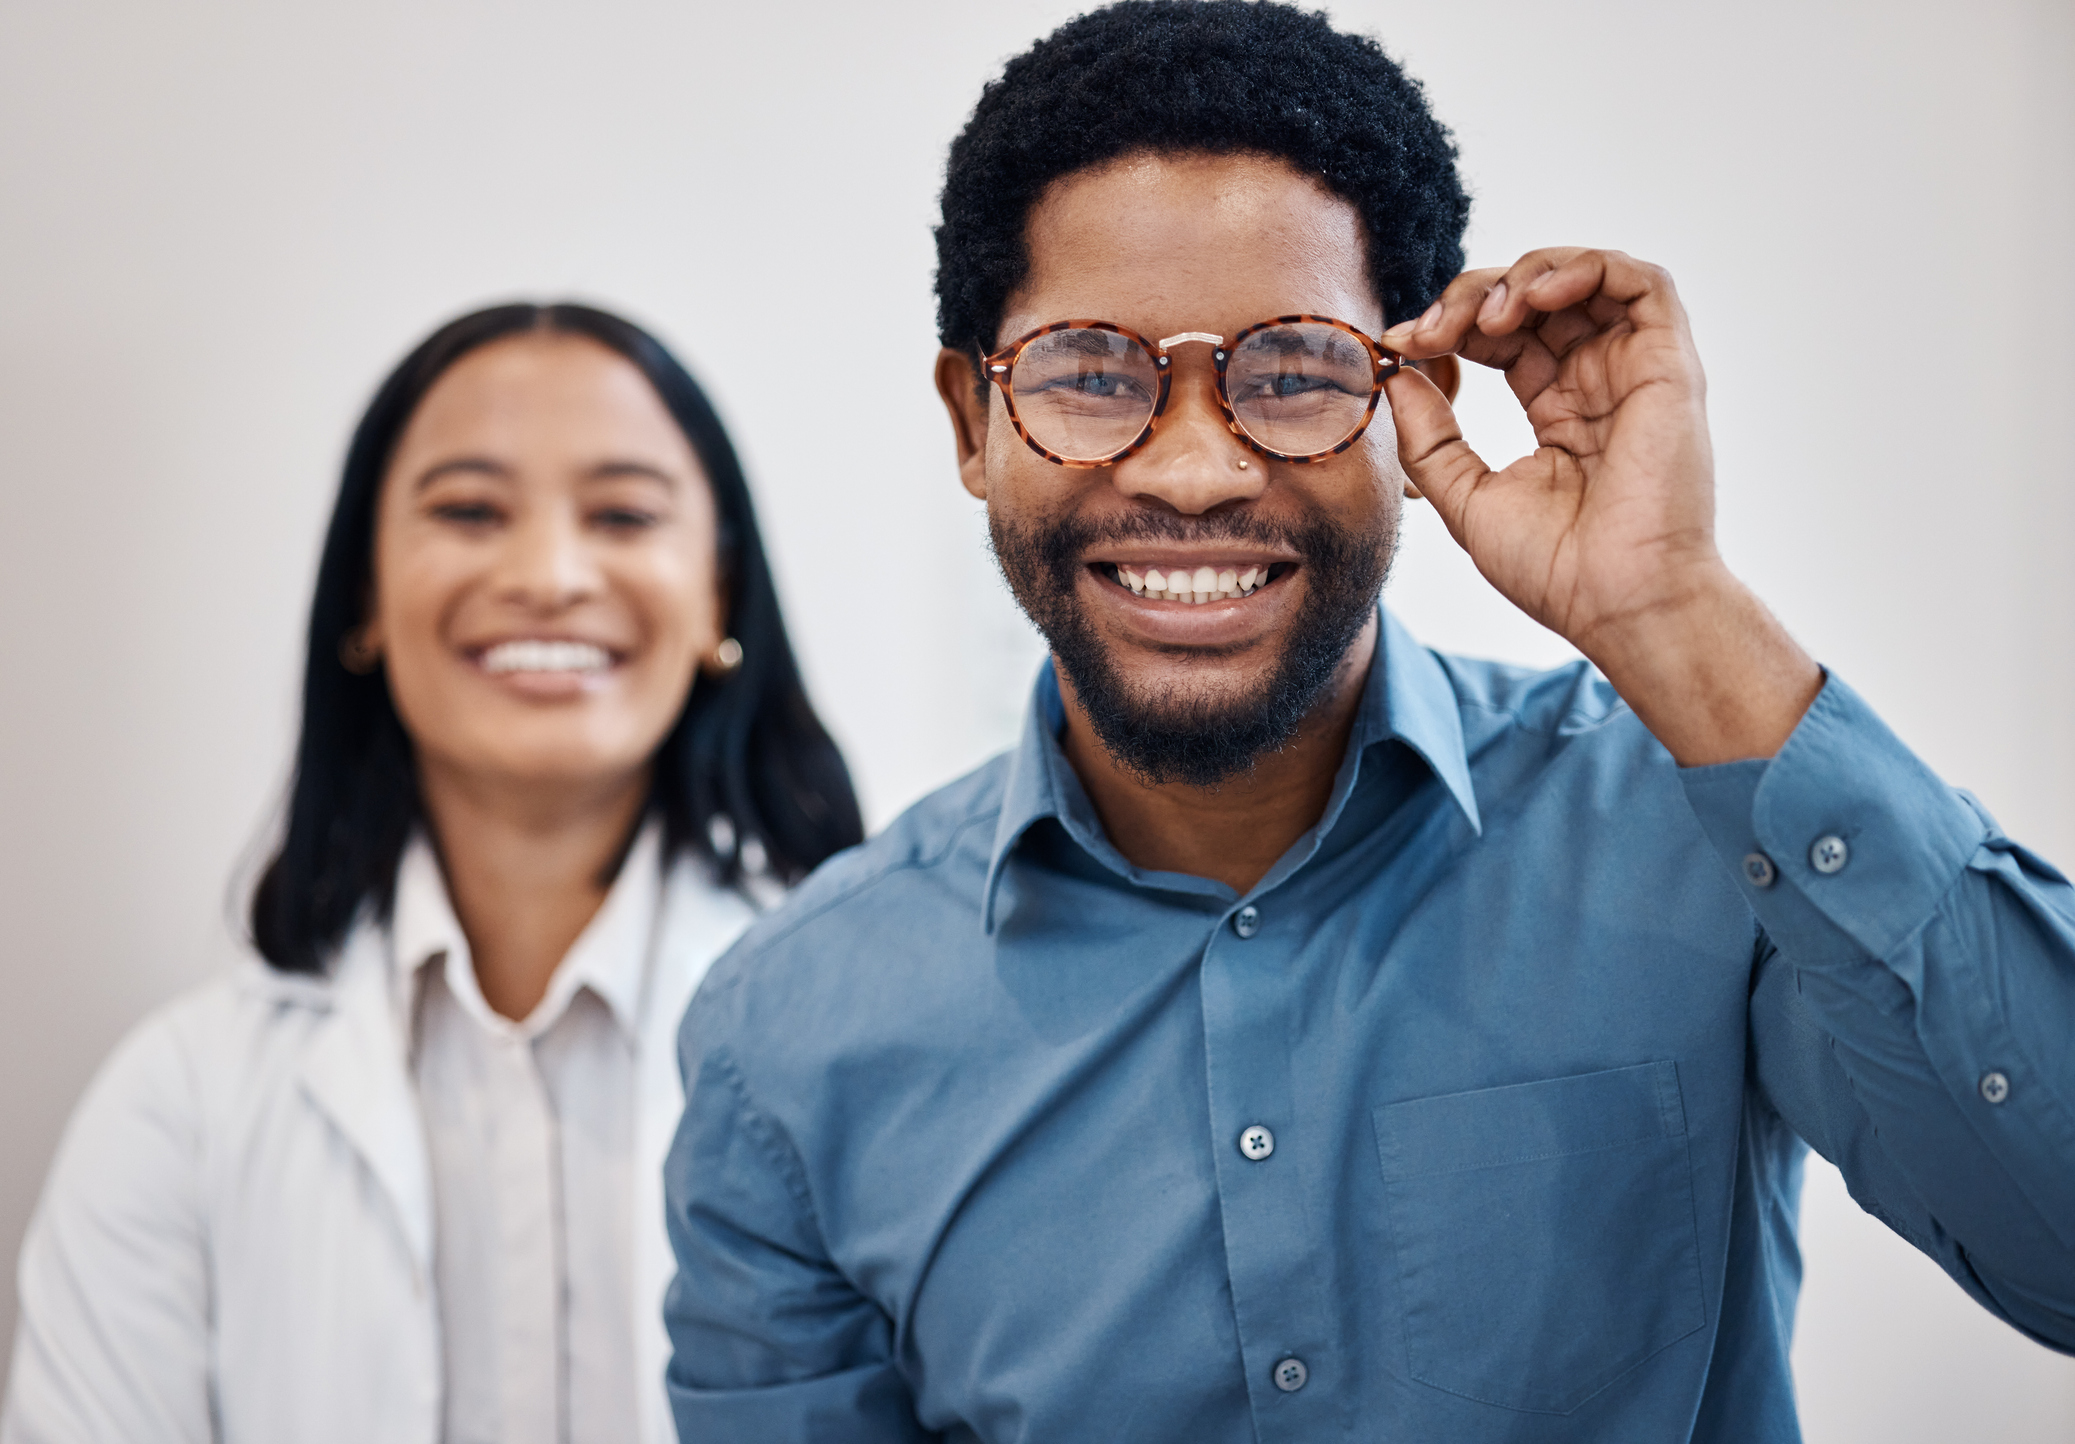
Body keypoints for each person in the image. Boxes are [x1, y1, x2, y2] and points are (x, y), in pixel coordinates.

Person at [659, 3, 2075, 1440]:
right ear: (973, 423)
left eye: (1291, 371)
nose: (1200, 469)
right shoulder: (788, 1033)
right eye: (1091, 373)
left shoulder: (1699, 834)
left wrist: (1672, 612)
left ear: (1412, 405)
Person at [1, 302, 863, 1444]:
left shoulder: (868, 1049)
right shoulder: (179, 1104)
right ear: (363, 597)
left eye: (621, 512)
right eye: (467, 509)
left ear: (718, 596)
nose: (549, 573)